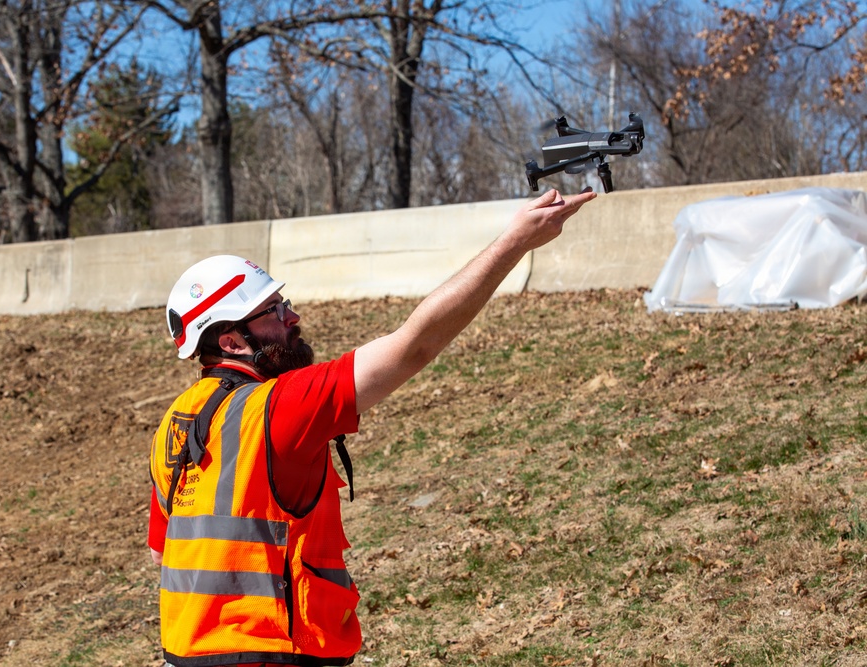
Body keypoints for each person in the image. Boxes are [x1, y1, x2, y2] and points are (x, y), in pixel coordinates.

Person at [148, 188, 597, 667]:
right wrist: (515, 242)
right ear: (233, 341)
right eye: (274, 311)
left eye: (285, 302)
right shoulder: (280, 407)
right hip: (271, 653)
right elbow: (415, 345)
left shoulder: (172, 425)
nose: (292, 316)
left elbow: (162, 553)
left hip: (187, 654)